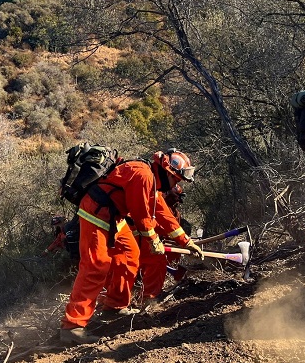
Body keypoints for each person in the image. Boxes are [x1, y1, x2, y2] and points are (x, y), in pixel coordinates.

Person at [60, 148, 197, 345]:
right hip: (97, 214)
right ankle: (72, 326)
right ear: (167, 172)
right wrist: (154, 240)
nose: (176, 185)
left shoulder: (150, 180)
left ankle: (114, 306)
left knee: (129, 255)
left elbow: (162, 212)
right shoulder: (143, 175)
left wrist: (186, 241)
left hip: (114, 216)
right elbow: (142, 216)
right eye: (176, 179)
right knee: (96, 266)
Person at [136, 184, 203, 308]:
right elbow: (158, 223)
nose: (177, 202)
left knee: (159, 261)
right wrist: (179, 239)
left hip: (153, 239)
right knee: (155, 261)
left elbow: (172, 226)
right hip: (141, 237)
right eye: (175, 198)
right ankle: (147, 298)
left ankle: (144, 294)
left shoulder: (174, 211)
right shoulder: (155, 197)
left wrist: (184, 240)